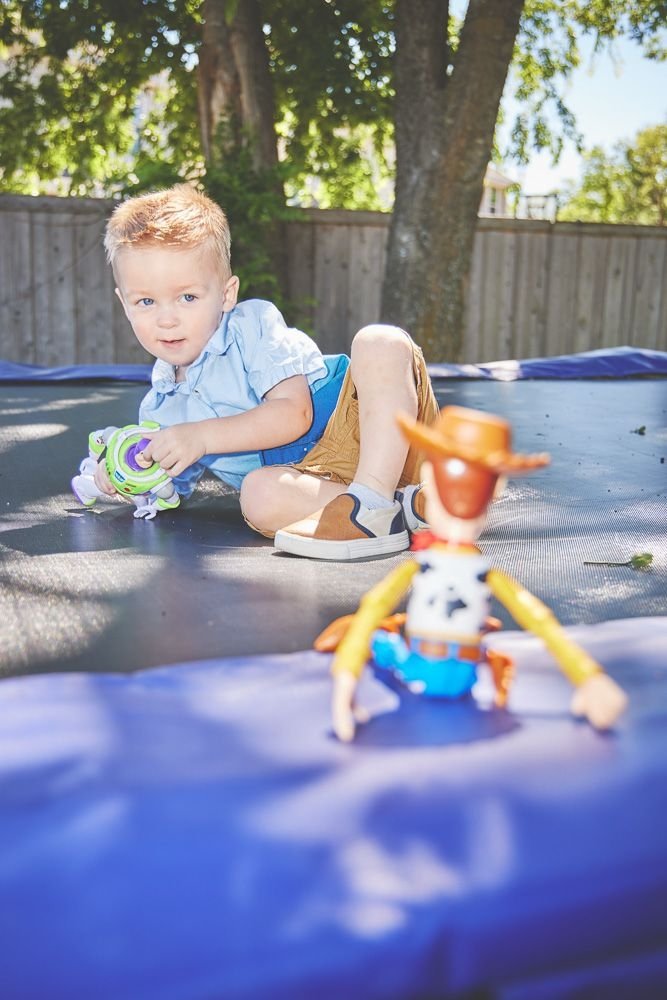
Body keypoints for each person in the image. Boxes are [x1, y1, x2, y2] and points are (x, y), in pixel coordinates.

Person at [96, 183, 439, 560]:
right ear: (124, 304)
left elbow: (295, 413)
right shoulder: (159, 412)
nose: (166, 319)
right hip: (311, 483)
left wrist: (201, 436)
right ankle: (399, 509)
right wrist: (127, 475)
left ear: (226, 294)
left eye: (187, 297)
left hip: (369, 425)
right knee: (257, 496)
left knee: (380, 342)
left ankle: (373, 499)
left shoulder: (251, 325)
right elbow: (166, 489)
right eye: (146, 301)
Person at [315, 406, 628, 741]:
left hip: (462, 671)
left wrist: (589, 678)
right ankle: (379, 637)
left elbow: (540, 621)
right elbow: (374, 606)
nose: (462, 498)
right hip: (423, 667)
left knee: (385, 634)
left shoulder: (472, 571)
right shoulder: (434, 566)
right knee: (383, 644)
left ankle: (384, 634)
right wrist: (346, 676)